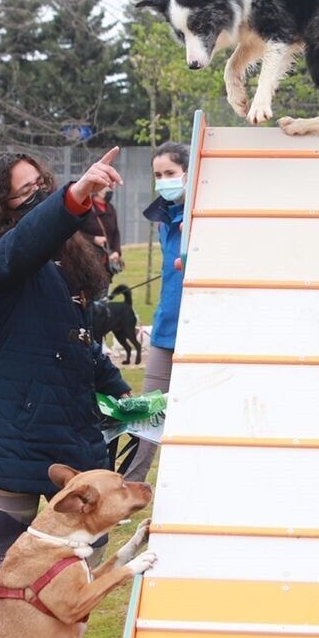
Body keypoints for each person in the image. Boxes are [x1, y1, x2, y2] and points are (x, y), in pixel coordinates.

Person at [0, 148, 129, 638]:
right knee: (7, 550)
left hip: (69, 427)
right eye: (25, 193)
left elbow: (80, 342)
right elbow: (23, 244)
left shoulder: (66, 261)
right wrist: (72, 197)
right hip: (8, 430)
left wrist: (122, 394)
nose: (37, 197)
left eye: (41, 186)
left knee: (81, 548)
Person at [120, 142, 189, 482]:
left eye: (170, 174)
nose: (164, 181)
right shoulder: (164, 221)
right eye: (158, 175)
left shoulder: (199, 215)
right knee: (149, 410)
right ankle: (129, 486)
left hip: (200, 330)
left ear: (188, 174)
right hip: (166, 329)